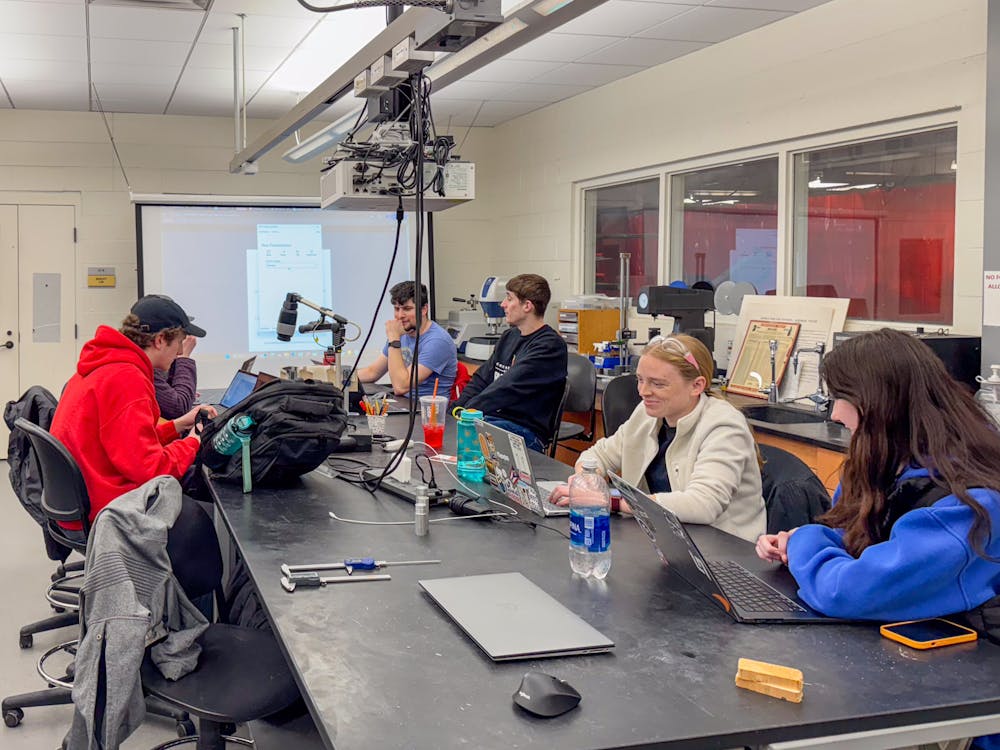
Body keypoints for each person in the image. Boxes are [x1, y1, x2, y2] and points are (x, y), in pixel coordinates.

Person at [755, 329, 1000, 750]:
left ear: (877, 404)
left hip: (970, 711)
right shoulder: (888, 467)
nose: (833, 415)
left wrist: (806, 543)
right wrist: (802, 542)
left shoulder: (969, 504)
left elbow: (853, 590)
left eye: (840, 398)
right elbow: (848, 531)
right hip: (906, 666)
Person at [50, 295, 219, 595]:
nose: (181, 352)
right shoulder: (127, 378)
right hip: (106, 510)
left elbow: (125, 439)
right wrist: (194, 440)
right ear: (160, 340)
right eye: (179, 342)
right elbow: (153, 470)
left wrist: (179, 425)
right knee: (197, 521)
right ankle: (197, 611)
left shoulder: (104, 364)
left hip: (78, 504)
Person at [550, 333, 765, 543]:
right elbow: (600, 454)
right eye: (640, 380)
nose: (643, 391)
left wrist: (610, 501)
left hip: (724, 553)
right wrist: (587, 481)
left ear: (697, 386)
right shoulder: (647, 413)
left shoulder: (724, 426)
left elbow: (703, 504)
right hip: (668, 538)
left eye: (658, 384)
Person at [452, 274, 567, 453]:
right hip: (492, 421)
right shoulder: (509, 336)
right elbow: (482, 379)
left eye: (509, 298)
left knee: (464, 439)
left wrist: (466, 413)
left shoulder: (549, 346)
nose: (502, 304)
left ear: (527, 306)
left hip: (525, 432)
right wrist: (456, 408)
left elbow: (507, 388)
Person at [356, 281, 457, 398]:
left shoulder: (437, 341)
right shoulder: (402, 333)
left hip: (425, 410)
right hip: (403, 404)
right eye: (397, 309)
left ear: (424, 309)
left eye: (407, 309)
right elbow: (372, 372)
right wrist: (338, 378)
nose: (400, 315)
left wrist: (394, 338)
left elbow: (401, 386)